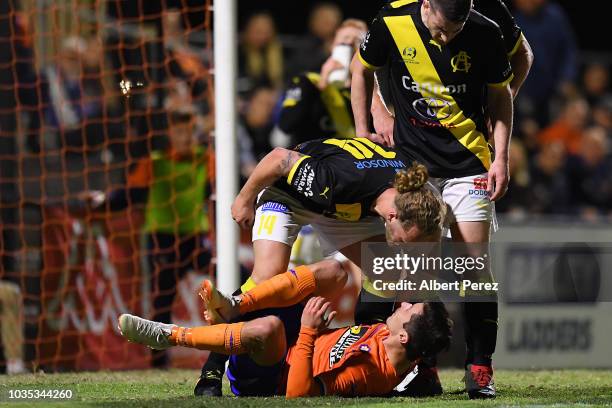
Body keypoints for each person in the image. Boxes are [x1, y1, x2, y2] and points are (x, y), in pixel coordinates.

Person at [351, 0, 516, 398]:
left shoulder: (486, 31)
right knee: (413, 268)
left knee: (474, 268)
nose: (446, 38)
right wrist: (363, 130)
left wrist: (502, 158)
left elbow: (501, 96)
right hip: (414, 168)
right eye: (441, 29)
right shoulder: (392, 20)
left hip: (469, 164)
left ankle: (480, 369)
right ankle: (424, 370)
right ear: (426, 5)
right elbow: (361, 69)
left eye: (454, 31)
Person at [195, 138, 446, 395]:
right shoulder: (335, 180)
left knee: (387, 269)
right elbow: (279, 158)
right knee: (267, 276)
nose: (407, 248)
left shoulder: (420, 197)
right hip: (291, 196)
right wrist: (244, 198)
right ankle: (212, 370)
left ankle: (373, 342)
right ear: (392, 217)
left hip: (347, 207)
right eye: (406, 241)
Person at [119, 262, 452, 397]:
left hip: (269, 375)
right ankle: (237, 305)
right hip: (297, 340)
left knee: (270, 327)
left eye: (411, 308)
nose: (404, 304)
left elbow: (298, 395)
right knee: (336, 272)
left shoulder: (368, 375)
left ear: (404, 336)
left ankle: (169, 336)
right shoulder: (393, 339)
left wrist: (308, 332)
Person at [86, 107, 212, 367]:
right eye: (179, 132)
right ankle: (158, 360)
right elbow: (127, 196)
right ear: (169, 135)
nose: (186, 138)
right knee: (162, 300)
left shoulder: (207, 159)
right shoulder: (154, 163)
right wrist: (99, 206)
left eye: (189, 132)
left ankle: (233, 344)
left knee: (226, 284)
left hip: (196, 238)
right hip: (161, 238)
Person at [274, 19, 368, 148]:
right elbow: (286, 125)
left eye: (357, 41)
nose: (349, 44)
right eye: (344, 39)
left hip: (357, 159)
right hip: (316, 158)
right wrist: (322, 85)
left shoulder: (374, 88)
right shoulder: (307, 81)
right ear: (332, 46)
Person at [512, 0, 578, 126]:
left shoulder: (555, 16)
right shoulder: (512, 21)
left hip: (555, 87)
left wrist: (567, 77)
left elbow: (568, 50)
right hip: (526, 90)